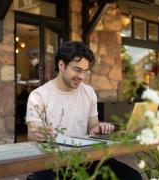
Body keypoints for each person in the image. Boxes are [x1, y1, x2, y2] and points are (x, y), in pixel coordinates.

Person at [26, 41, 142, 180]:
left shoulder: (88, 92)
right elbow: (31, 134)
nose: (82, 76)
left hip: (86, 158)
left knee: (132, 177)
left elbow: (93, 126)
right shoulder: (38, 95)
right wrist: (40, 133)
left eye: (85, 71)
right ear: (61, 65)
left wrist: (98, 129)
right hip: (52, 162)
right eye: (77, 70)